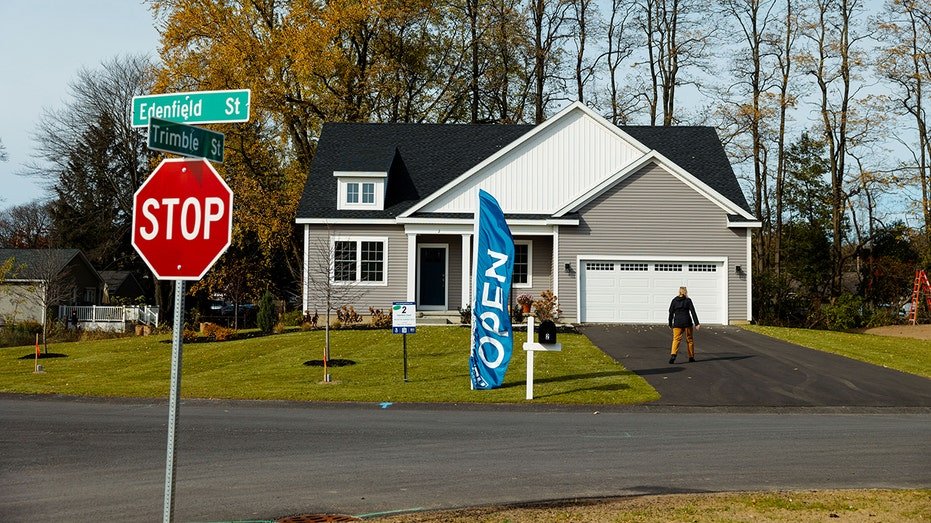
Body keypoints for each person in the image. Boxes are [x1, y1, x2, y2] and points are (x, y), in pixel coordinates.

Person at [668, 286, 699, 364]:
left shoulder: (674, 301)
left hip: (677, 323)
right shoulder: (688, 300)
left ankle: (673, 355)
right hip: (687, 322)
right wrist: (697, 323)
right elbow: (693, 311)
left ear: (679, 292)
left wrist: (670, 323)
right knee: (689, 339)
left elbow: (671, 312)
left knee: (676, 339)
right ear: (686, 292)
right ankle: (691, 357)